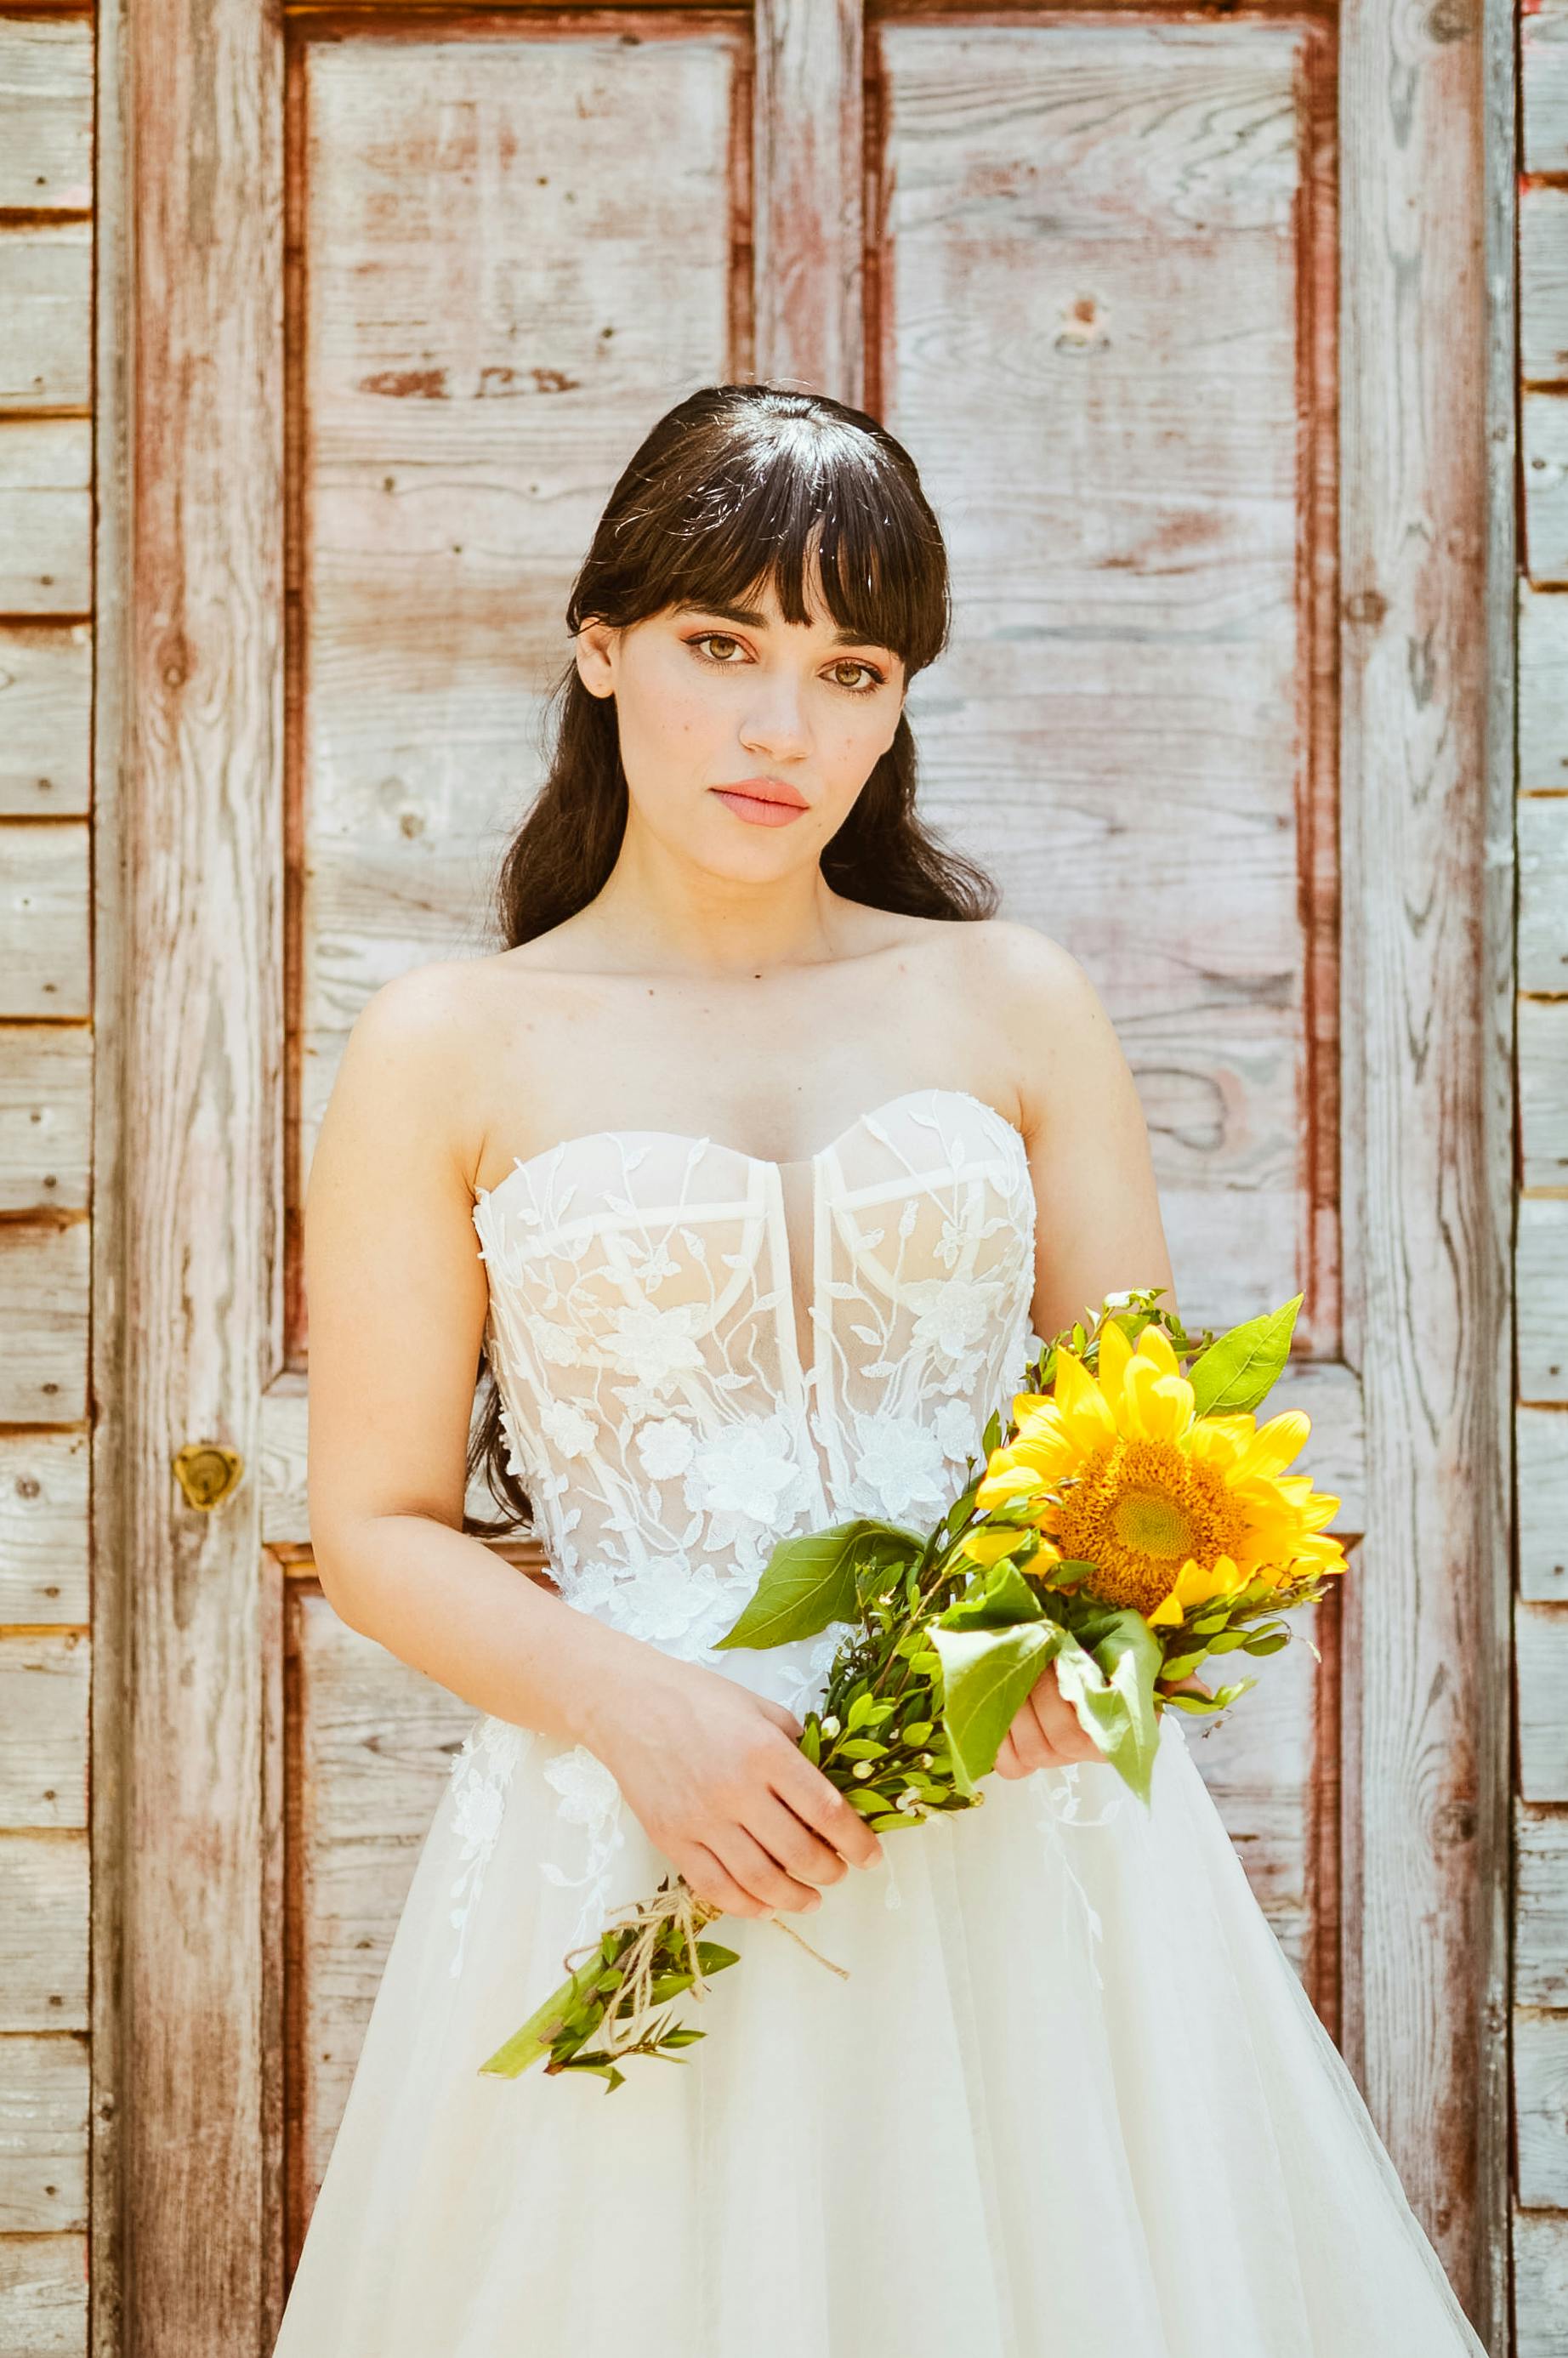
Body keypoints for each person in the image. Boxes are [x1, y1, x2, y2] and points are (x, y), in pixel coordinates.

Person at [275, 383, 1487, 2355]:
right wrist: (644, 1722)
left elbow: (1157, 1432)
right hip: (638, 1830)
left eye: (847, 668)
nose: (781, 728)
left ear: (896, 699)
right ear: (600, 650)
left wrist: (1068, 1637)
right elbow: (377, 1520)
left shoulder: (1007, 997)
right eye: (719, 646)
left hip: (1026, 1848)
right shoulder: (447, 1042)